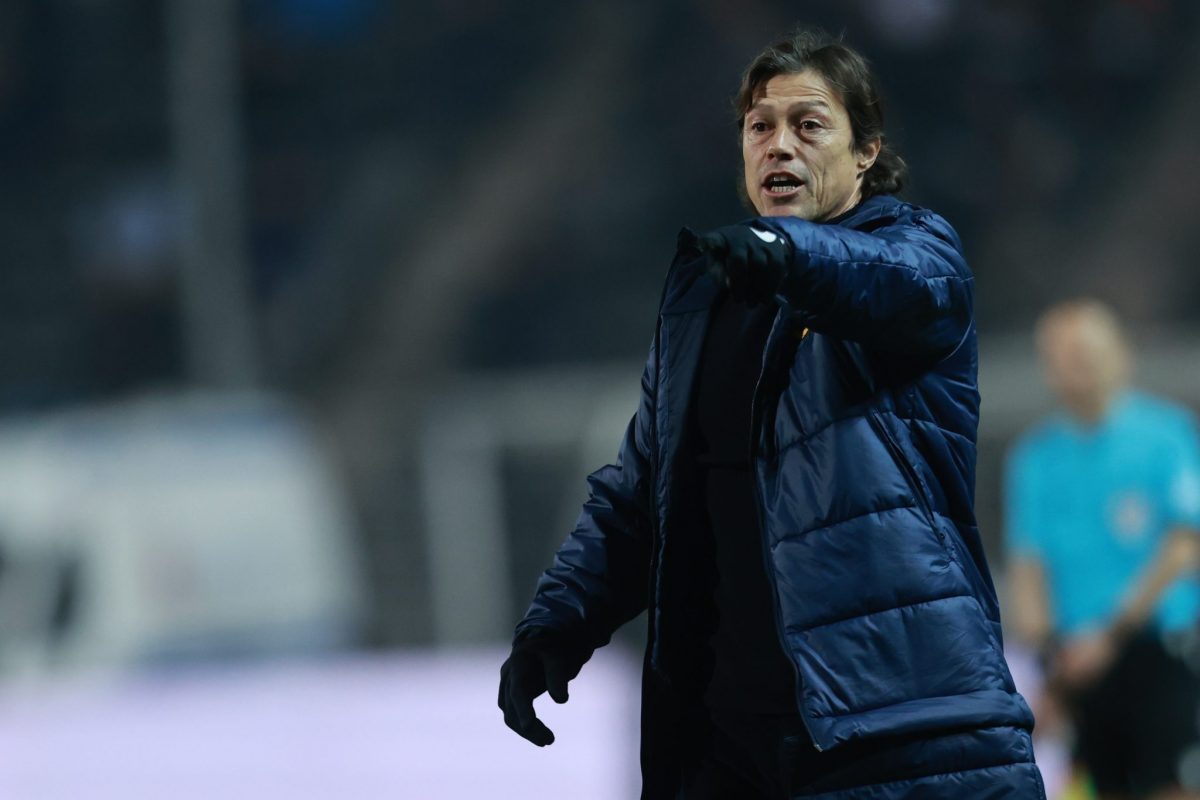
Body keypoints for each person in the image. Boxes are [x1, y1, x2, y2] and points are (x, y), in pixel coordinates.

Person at [499, 27, 1045, 799]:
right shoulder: (704, 305)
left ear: (866, 152)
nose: (778, 144)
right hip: (729, 744)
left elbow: (889, 281)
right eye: (760, 126)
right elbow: (640, 495)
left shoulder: (917, 252)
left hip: (894, 728)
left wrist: (790, 252)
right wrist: (557, 625)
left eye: (809, 124)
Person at [1006, 300, 1200, 800]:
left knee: (1171, 786)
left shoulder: (1165, 434)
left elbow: (1184, 547)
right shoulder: (1036, 458)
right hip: (1075, 661)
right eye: (1061, 355)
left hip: (1154, 647)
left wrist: (1112, 634)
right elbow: (1028, 567)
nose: (1075, 365)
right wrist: (1048, 667)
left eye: (1085, 351)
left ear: (1119, 353)